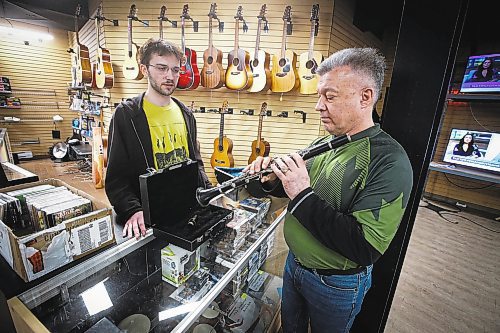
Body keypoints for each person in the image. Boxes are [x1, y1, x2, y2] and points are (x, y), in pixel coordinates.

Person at [246, 47, 413, 332]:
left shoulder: (390, 160)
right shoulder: (327, 142)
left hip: (336, 283)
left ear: (365, 97)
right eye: (319, 95)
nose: (318, 106)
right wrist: (269, 180)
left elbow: (365, 247)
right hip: (294, 265)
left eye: (330, 96)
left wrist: (300, 192)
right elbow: (296, 191)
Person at [105, 38, 211, 239]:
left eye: (175, 70)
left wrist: (212, 195)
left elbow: (196, 165)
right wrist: (133, 210)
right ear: (144, 69)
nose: (170, 76)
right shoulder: (127, 115)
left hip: (185, 216)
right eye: (162, 68)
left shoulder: (186, 114)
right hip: (148, 221)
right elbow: (116, 178)